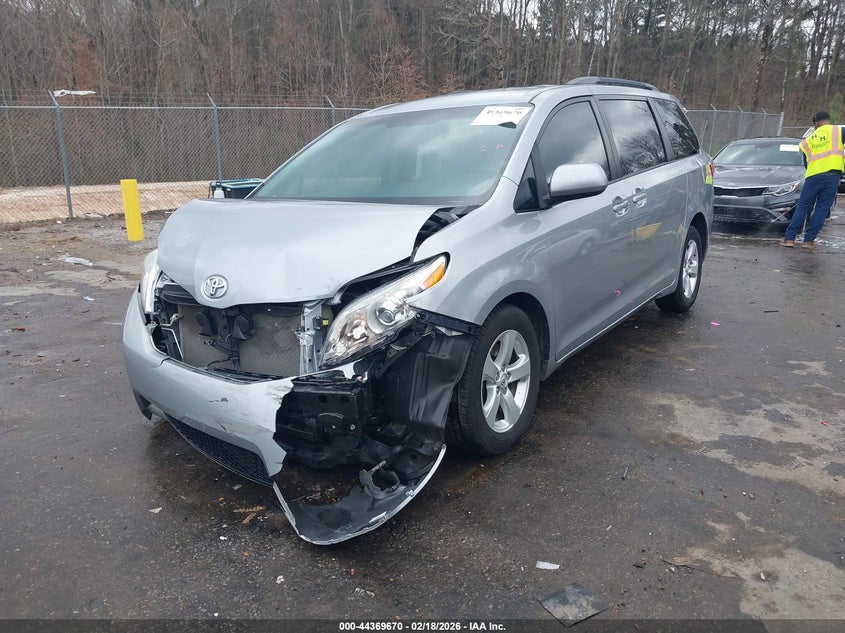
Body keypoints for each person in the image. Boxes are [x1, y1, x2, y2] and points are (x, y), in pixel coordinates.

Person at [780, 111, 844, 249]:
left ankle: (789, 239)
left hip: (813, 177)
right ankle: (809, 241)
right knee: (822, 208)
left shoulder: (806, 141)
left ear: (815, 124)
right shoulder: (839, 131)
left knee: (803, 207)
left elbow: (805, 163)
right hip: (832, 177)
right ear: (828, 120)